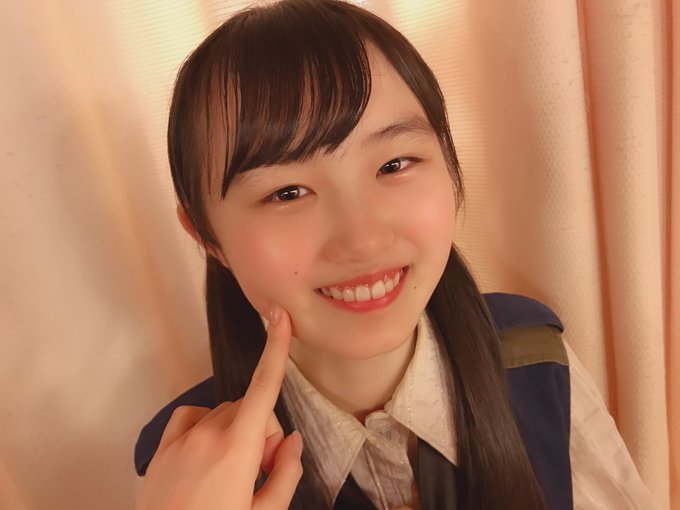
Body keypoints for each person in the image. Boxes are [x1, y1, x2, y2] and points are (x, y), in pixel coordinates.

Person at [133, 1, 659, 509]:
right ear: (207, 237)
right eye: (287, 193)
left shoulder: (534, 359)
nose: (363, 241)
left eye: (394, 164)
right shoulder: (182, 466)